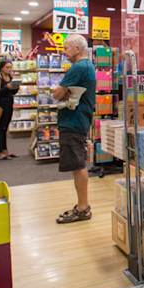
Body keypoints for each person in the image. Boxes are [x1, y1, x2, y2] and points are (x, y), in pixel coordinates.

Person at [53, 34, 97, 224]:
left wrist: (61, 93)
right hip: (78, 120)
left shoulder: (78, 67)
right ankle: (82, 205)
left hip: (73, 122)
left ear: (77, 48)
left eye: (66, 48)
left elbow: (57, 94)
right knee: (77, 163)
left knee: (78, 165)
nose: (64, 52)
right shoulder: (87, 67)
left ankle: (82, 208)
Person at [0, 60, 20, 160]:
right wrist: (7, 87)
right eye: (7, 67)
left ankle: (5, 151)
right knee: (0, 128)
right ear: (2, 68)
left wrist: (16, 87)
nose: (9, 69)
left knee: (5, 128)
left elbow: (13, 92)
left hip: (10, 103)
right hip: (2, 104)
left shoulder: (10, 78)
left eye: (10, 67)